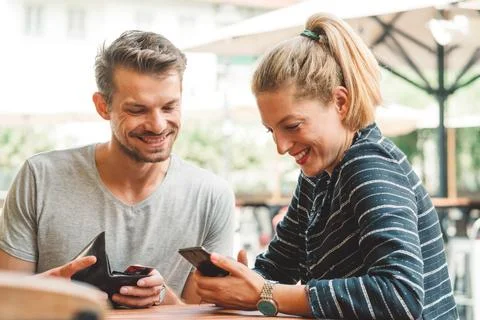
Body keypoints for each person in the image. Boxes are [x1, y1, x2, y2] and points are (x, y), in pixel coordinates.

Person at [193, 13, 458, 319]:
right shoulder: (319, 175)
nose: (281, 147)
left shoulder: (369, 165)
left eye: (292, 126)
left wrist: (263, 294)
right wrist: (237, 282)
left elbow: (399, 296)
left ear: (341, 103)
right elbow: (278, 266)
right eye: (272, 131)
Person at [0, 30, 235, 308]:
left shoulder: (211, 196)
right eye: (137, 110)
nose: (158, 125)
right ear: (103, 106)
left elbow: (203, 315)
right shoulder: (40, 178)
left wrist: (162, 296)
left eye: (170, 106)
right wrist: (50, 291)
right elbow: (6, 303)